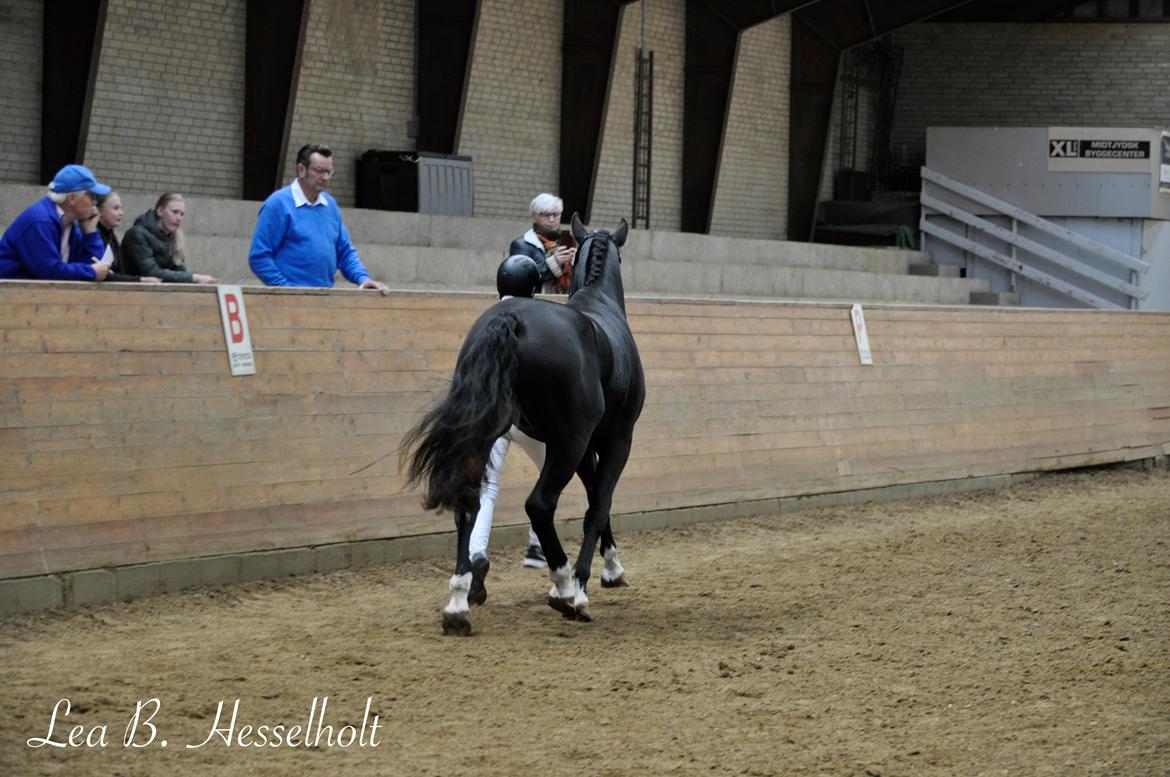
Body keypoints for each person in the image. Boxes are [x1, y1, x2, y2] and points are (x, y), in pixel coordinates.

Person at [465, 255, 549, 607]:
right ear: (533, 288)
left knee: (488, 488)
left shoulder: (484, 323)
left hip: (491, 417)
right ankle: (536, 543)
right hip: (526, 420)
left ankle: (475, 552)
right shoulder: (539, 322)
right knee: (552, 473)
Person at [248, 143, 389, 292]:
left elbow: (345, 252)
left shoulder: (330, 205)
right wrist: (285, 289)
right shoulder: (277, 204)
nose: (326, 177)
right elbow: (259, 257)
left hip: (324, 298)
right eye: (320, 171)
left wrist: (363, 278)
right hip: (289, 300)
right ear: (302, 170)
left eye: (329, 172)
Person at [0, 164, 112, 281]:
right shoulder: (40, 221)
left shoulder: (70, 224)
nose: (94, 202)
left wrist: (90, 232)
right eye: (91, 196)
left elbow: (94, 264)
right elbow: (49, 272)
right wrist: (91, 272)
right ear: (72, 198)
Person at [122, 193, 217, 284]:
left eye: (182, 214)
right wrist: (195, 278)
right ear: (160, 211)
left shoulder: (174, 237)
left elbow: (180, 270)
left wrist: (197, 279)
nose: (179, 218)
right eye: (175, 212)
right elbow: (151, 272)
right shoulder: (137, 234)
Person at [508, 193, 576, 294]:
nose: (552, 220)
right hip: (535, 305)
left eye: (556, 214)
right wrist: (554, 263)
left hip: (565, 303)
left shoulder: (567, 241)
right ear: (534, 216)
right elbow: (520, 279)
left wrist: (576, 260)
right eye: (546, 215)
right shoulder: (521, 245)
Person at [94, 192, 162, 284]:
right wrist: (140, 280)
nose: (121, 213)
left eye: (120, 208)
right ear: (100, 211)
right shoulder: (94, 236)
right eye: (116, 208)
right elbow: (102, 275)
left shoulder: (110, 234)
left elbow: (120, 271)